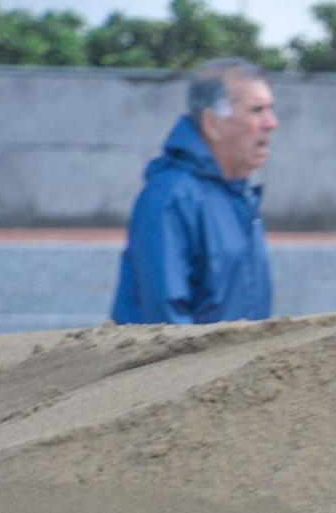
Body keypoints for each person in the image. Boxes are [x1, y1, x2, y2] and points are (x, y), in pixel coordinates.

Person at [111, 60, 276, 325]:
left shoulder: (238, 196)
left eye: (271, 109)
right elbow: (165, 323)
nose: (271, 123)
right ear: (212, 123)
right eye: (257, 110)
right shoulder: (172, 196)